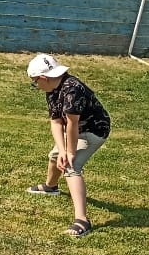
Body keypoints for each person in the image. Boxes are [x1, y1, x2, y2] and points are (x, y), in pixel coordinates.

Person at [26, 54, 110, 237]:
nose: (36, 86)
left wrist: (70, 152)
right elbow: (56, 122)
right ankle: (51, 187)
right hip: (76, 129)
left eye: (34, 82)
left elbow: (72, 124)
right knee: (55, 156)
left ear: (43, 78)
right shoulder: (52, 89)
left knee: (71, 167)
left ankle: (82, 220)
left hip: (94, 130)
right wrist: (62, 150)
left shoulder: (73, 90)